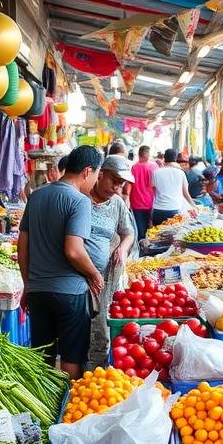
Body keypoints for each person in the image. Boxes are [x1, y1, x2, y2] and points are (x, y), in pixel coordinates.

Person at [18, 146, 105, 379]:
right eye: (96, 175)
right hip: (70, 294)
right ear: (87, 172)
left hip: (38, 292)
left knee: (42, 357)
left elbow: (22, 246)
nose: (95, 181)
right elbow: (74, 251)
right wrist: (95, 274)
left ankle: (44, 409)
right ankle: (68, 409)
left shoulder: (36, 196)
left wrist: (28, 284)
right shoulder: (79, 201)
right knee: (71, 357)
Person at [85, 155, 137, 369]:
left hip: (105, 276)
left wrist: (123, 249)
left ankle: (96, 371)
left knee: (101, 326)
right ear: (100, 174)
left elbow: (129, 233)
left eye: (121, 183)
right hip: (78, 274)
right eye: (113, 180)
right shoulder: (81, 198)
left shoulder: (116, 203)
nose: (116, 187)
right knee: (79, 326)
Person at [150, 149, 194, 225]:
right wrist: (193, 205)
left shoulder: (156, 172)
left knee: (156, 235)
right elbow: (185, 193)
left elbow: (152, 186)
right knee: (173, 235)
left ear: (164, 158)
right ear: (175, 159)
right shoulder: (180, 173)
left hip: (158, 210)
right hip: (174, 209)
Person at [128, 145, 156, 238]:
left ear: (139, 154)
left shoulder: (134, 168)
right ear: (148, 154)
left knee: (140, 231)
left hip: (136, 203)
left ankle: (141, 250)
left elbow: (129, 186)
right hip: (150, 202)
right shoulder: (154, 167)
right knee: (152, 231)